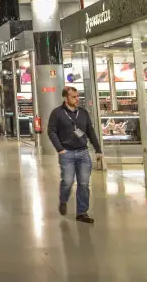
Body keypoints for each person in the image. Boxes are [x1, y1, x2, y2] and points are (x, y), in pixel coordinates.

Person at [48, 87, 103, 224]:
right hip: (67, 153)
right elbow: (51, 131)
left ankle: (82, 212)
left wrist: (98, 149)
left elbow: (90, 131)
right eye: (74, 97)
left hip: (83, 152)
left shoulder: (83, 113)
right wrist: (60, 149)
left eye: (78, 96)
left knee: (84, 184)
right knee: (67, 182)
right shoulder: (57, 113)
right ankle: (63, 200)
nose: (77, 99)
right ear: (65, 98)